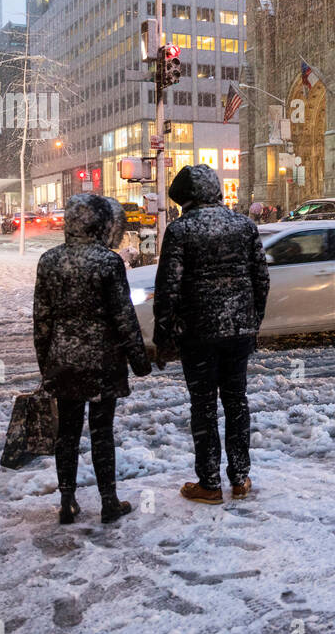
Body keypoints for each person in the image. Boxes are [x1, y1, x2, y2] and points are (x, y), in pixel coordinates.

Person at [153, 164, 270, 505]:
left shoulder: (180, 230)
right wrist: (253, 321)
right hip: (238, 332)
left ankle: (209, 483)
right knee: (236, 402)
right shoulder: (245, 226)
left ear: (186, 199)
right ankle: (240, 477)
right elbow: (261, 279)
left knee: (203, 407)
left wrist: (164, 336)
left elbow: (168, 289)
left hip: (198, 334)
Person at [33, 194, 151, 525]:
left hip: (64, 360)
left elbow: (41, 320)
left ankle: (67, 501)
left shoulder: (49, 261)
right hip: (103, 361)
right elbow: (124, 317)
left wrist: (46, 364)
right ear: (100, 224)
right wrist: (139, 360)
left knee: (67, 432)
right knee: (102, 431)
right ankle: (109, 501)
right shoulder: (107, 262)